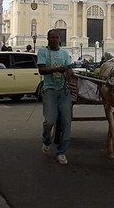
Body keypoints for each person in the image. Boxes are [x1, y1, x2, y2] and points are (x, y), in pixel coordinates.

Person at [37, 29, 73, 165]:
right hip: (49, 90)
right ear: (48, 39)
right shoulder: (43, 52)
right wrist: (58, 69)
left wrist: (70, 72)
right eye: (52, 37)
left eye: (56, 37)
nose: (54, 39)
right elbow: (41, 69)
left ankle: (61, 152)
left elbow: (69, 69)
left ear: (60, 39)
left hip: (64, 91)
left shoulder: (64, 54)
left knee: (66, 121)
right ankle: (46, 140)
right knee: (50, 120)